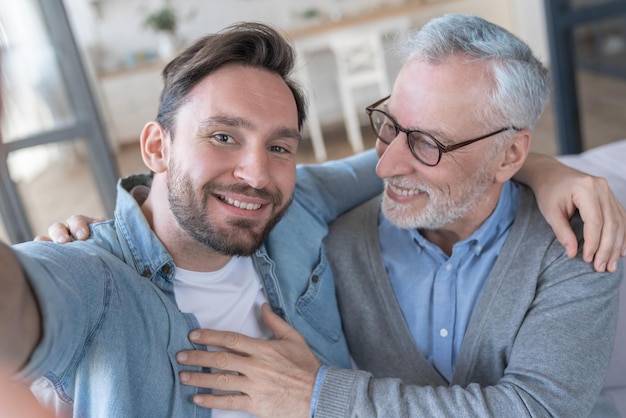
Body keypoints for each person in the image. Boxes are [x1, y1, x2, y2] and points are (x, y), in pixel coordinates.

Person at [13, 18, 626, 418]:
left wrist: (548, 169)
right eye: (222, 136)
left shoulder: (301, 210)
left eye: (280, 146)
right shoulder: (94, 274)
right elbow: (29, 299)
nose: (387, 164)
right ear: (156, 149)